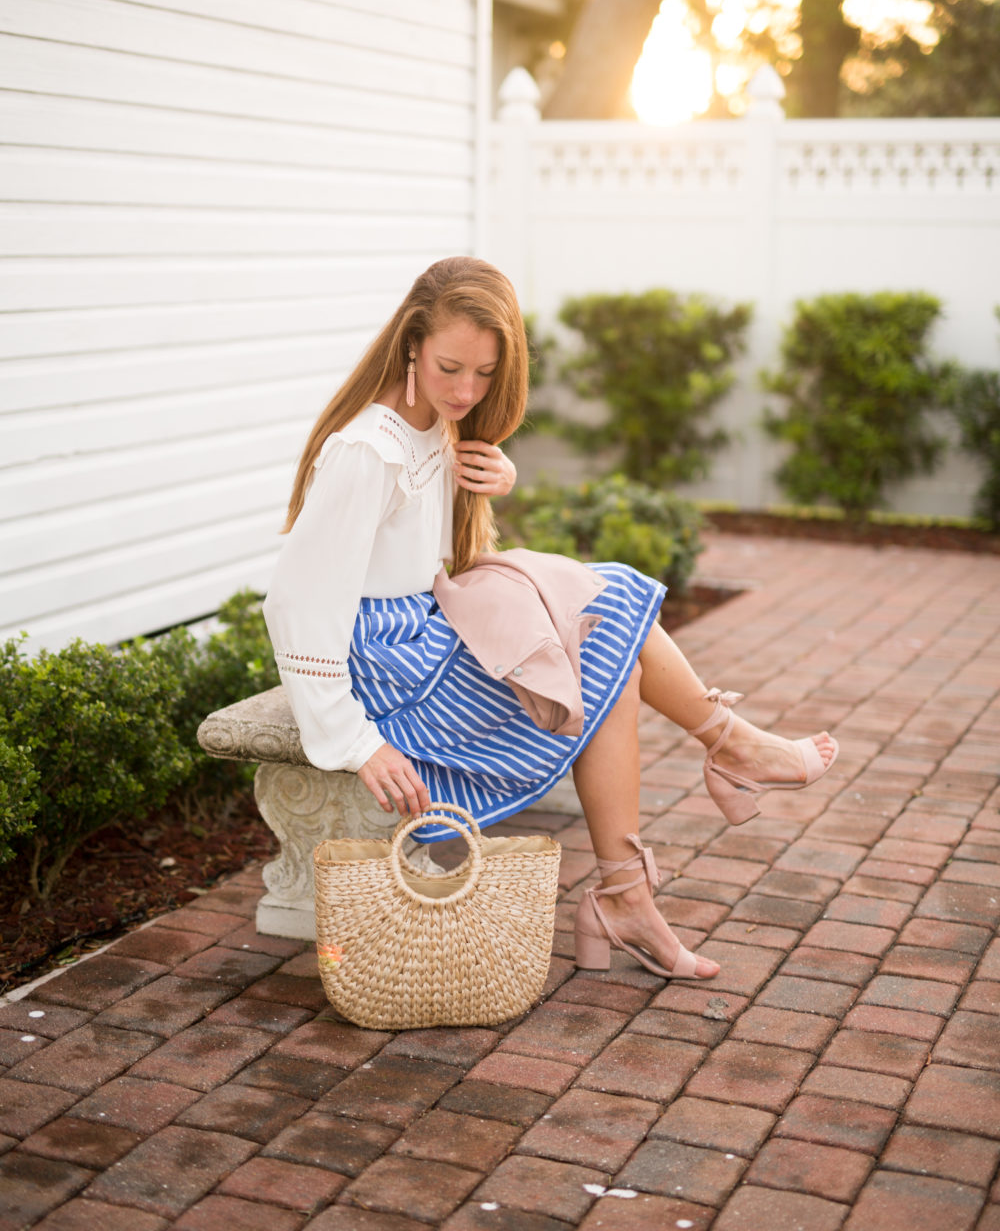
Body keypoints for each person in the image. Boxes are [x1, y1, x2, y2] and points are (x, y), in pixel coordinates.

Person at [263, 256, 837, 983]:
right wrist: (354, 741)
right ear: (410, 343)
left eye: (485, 374)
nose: (467, 390)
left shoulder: (437, 423)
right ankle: (707, 781)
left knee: (602, 621)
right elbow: (296, 602)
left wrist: (491, 478)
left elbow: (427, 550)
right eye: (449, 368)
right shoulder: (365, 452)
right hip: (396, 669)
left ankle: (634, 885)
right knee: (605, 633)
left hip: (432, 627)